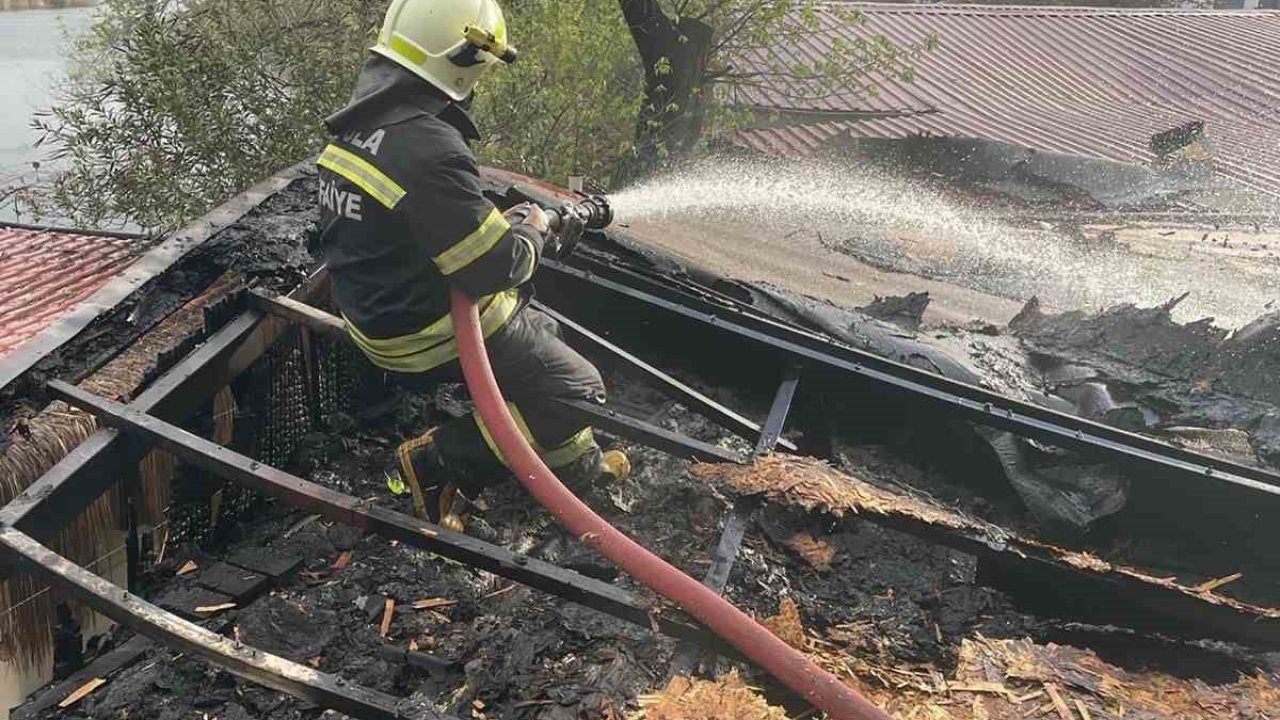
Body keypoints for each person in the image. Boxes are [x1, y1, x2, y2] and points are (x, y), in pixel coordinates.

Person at [315, 0, 627, 530]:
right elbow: (496, 269)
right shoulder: (429, 144)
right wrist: (534, 228)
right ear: (467, 57)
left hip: (376, 310)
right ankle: (433, 464)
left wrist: (494, 225)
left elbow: (424, 216)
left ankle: (576, 469)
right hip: (423, 331)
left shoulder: (367, 117)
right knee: (576, 388)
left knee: (540, 338)